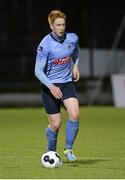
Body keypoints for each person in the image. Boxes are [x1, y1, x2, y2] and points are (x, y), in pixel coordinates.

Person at [35, 10, 80, 162]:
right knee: (55, 124)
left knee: (74, 114)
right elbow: (37, 70)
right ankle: (51, 152)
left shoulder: (71, 38)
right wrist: (51, 86)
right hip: (49, 87)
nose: (61, 28)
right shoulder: (45, 45)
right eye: (58, 25)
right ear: (51, 26)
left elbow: (76, 50)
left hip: (67, 83)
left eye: (63, 24)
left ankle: (68, 148)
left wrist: (75, 65)